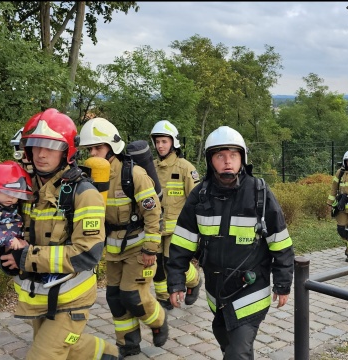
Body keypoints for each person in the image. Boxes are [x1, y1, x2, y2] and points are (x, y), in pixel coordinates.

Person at [0, 108, 120, 359]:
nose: (41, 154)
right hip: (39, 295)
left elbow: (86, 255)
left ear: (67, 151)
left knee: (42, 355)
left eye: (51, 147)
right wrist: (3, 254)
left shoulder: (84, 194)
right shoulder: (22, 191)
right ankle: (104, 353)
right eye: (35, 145)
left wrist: (25, 257)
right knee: (67, 348)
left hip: (71, 299)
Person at [167, 126, 294, 359]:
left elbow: (280, 241)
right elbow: (182, 242)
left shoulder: (259, 192)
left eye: (233, 155)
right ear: (210, 160)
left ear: (242, 158)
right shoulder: (200, 195)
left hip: (251, 290)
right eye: (220, 156)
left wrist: (283, 283)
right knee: (227, 341)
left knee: (237, 351)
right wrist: (176, 281)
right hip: (217, 292)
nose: (227, 161)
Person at [78, 117, 168, 356]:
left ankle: (159, 320)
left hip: (138, 248)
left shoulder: (134, 174)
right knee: (115, 298)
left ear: (112, 146)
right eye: (90, 149)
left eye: (99, 147)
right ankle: (128, 342)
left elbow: (153, 212)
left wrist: (151, 249)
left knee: (133, 296)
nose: (94, 153)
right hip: (113, 250)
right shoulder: (89, 179)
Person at [149, 120, 203, 310]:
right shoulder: (151, 168)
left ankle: (194, 281)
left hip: (177, 230)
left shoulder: (185, 168)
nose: (160, 145)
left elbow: (197, 201)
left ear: (173, 143)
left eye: (164, 141)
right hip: (155, 228)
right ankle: (163, 296)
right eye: (158, 142)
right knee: (155, 264)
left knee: (172, 262)